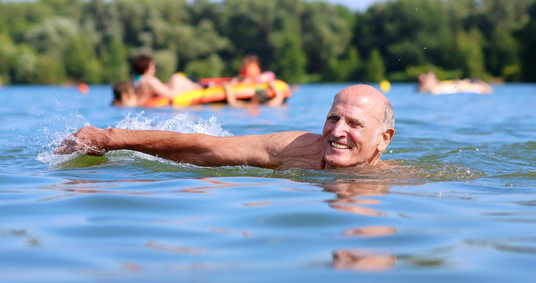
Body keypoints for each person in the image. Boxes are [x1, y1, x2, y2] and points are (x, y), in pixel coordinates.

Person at [54, 84, 395, 171]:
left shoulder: (398, 183)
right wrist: (110, 138)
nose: (337, 131)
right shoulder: (294, 149)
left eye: (354, 124)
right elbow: (205, 147)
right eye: (333, 118)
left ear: (383, 140)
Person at [131, 55, 204, 105]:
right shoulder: (149, 80)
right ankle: (196, 85)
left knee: (176, 78)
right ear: (146, 68)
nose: (154, 69)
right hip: (146, 106)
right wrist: (191, 89)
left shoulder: (134, 79)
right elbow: (170, 95)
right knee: (176, 77)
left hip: (140, 105)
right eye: (153, 67)